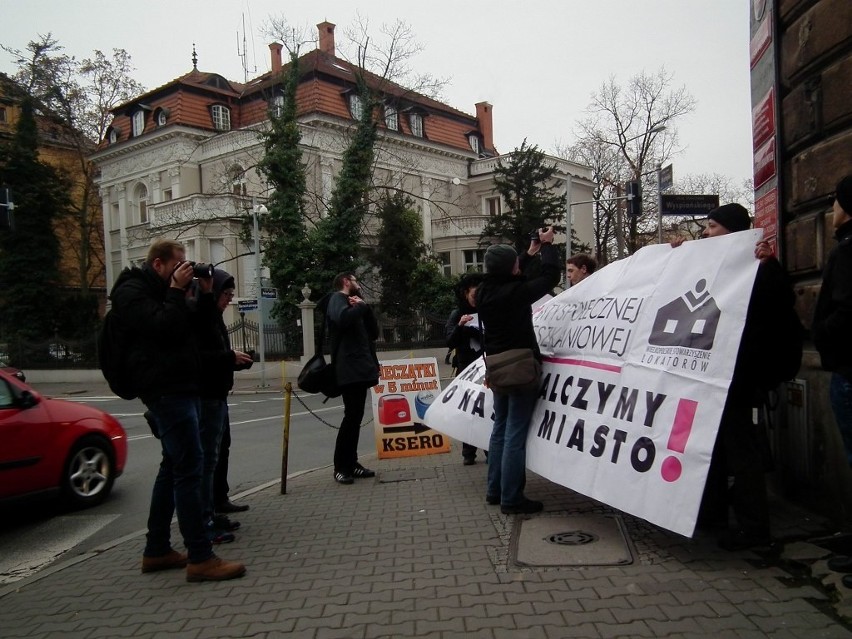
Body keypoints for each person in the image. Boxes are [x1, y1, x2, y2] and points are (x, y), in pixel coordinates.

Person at [110, 239, 245, 582]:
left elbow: (192, 328)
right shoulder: (132, 292)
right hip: (165, 389)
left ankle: (156, 550)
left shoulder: (166, 291)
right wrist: (175, 290)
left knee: (172, 468)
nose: (184, 269)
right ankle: (200, 557)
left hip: (181, 386)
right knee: (189, 468)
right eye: (178, 264)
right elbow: (163, 327)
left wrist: (202, 293)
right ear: (158, 264)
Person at [696, 203, 797, 551]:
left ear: (733, 230)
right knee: (714, 450)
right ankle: (713, 516)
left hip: (740, 379)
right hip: (712, 377)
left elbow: (777, 311)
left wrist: (769, 263)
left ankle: (754, 530)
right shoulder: (715, 264)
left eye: (712, 227)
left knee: (741, 452)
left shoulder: (762, 268)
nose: (707, 233)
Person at [476, 227, 561, 514]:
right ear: (510, 268)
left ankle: (494, 490)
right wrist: (548, 246)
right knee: (515, 432)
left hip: (497, 367)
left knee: (500, 427)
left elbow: (506, 275)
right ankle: (512, 498)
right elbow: (551, 277)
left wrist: (528, 252)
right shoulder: (516, 292)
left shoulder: (484, 291)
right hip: (522, 366)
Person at [193, 269, 253, 543]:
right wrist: (228, 357)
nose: (229, 299)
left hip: (217, 392)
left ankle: (218, 501)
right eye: (226, 294)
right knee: (206, 458)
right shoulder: (199, 314)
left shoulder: (212, 316)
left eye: (231, 294)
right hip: (206, 394)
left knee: (219, 451)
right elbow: (200, 356)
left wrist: (233, 360)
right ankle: (205, 517)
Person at [812, 175, 852, 583]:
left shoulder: (847, 253)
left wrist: (821, 333)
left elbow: (845, 310)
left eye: (837, 203)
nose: (832, 211)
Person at [326, 272, 380, 484]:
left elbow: (373, 333)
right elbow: (342, 319)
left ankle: (352, 463)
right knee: (350, 418)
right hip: (349, 369)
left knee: (355, 418)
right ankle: (341, 467)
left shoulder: (357, 304)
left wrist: (364, 308)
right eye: (355, 280)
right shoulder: (336, 299)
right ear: (346, 282)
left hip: (361, 369)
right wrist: (359, 307)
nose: (359, 284)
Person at [446, 273, 485, 465]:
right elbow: (450, 340)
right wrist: (462, 326)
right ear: (465, 294)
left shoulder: (488, 311)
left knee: (486, 408)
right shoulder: (457, 314)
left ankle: (489, 450)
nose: (476, 300)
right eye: (473, 296)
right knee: (469, 411)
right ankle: (468, 452)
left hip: (486, 367)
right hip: (466, 367)